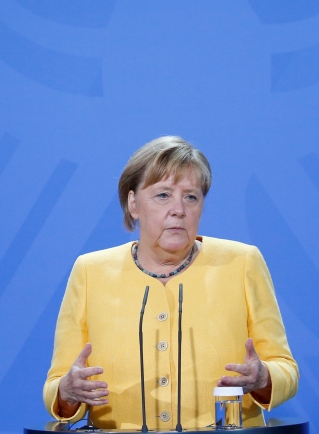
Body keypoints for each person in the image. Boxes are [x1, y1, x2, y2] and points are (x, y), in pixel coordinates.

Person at [43, 136, 298, 429]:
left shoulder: (242, 263)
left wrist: (265, 377)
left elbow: (286, 369)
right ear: (133, 203)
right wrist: (68, 391)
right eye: (163, 195)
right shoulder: (90, 271)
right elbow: (56, 387)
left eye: (191, 196)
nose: (179, 209)